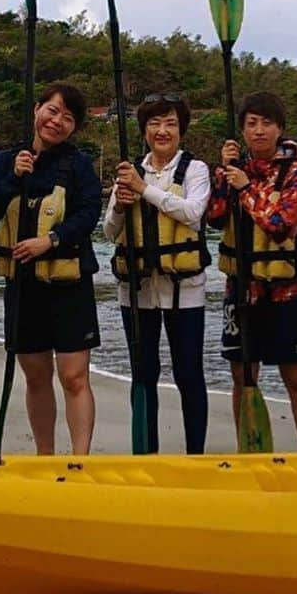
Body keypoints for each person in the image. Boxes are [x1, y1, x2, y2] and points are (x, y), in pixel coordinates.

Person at [0, 83, 102, 455]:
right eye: (52, 111)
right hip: (24, 286)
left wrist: (50, 240)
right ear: (37, 110)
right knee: (36, 376)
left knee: (73, 376)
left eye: (68, 118)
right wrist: (15, 177)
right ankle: (44, 457)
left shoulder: (78, 164)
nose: (57, 121)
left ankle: (80, 459)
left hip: (69, 284)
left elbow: (88, 213)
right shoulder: (6, 160)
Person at [206, 91, 297, 451]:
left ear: (280, 129)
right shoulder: (234, 169)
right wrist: (224, 177)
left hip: (287, 288)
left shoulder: (295, 173)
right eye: (251, 123)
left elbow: (280, 222)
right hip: (241, 287)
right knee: (242, 373)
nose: (258, 131)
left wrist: (246, 188)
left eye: (266, 123)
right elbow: (214, 217)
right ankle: (247, 449)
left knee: (295, 374)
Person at [104, 94, 211, 453]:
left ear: (181, 130)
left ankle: (195, 454)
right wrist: (120, 204)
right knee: (144, 374)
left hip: (185, 289)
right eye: (154, 124)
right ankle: (145, 452)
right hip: (137, 290)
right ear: (144, 130)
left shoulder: (195, 170)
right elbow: (109, 231)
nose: (162, 131)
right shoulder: (130, 169)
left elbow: (193, 212)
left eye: (170, 124)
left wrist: (143, 189)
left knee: (188, 374)